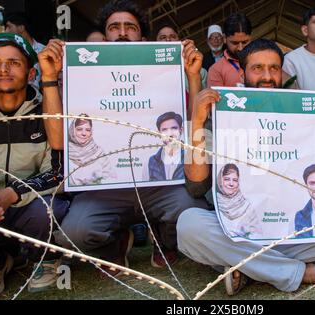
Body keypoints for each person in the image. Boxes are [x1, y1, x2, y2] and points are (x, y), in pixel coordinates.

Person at [177, 38, 315, 295]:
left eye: (273, 68)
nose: (267, 76)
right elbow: (195, 186)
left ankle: (247, 266)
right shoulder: (221, 112)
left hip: (293, 230)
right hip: (238, 230)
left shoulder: (301, 113)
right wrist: (198, 123)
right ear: (243, 73)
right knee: (189, 225)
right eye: (257, 68)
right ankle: (300, 271)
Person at [55, 0, 209, 271]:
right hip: (105, 187)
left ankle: (166, 239)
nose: (122, 32)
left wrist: (193, 76)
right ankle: (115, 243)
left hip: (158, 182)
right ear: (105, 37)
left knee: (193, 212)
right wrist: (49, 76)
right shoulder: (82, 75)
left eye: (130, 27)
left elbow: (191, 122)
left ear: (144, 38)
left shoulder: (166, 73)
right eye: (114, 27)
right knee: (75, 232)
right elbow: (61, 134)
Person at [0, 33, 69, 296]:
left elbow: (58, 172)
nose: (2, 69)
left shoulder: (46, 111)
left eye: (13, 62)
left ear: (31, 71)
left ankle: (43, 257)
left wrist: (11, 194)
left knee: (47, 209)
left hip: (28, 205)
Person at [216, 164, 262, 239]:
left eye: (235, 180)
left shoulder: (247, 206)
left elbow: (258, 234)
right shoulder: (214, 202)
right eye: (227, 179)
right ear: (220, 180)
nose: (231, 184)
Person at [68, 115, 116, 186]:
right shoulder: (65, 152)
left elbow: (108, 177)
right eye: (79, 129)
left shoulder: (99, 153)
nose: (84, 133)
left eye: (87, 130)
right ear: (72, 130)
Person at [207, 13, 252, 87]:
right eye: (235, 43)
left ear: (251, 38)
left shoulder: (262, 62)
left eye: (245, 42)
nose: (240, 48)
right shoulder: (216, 70)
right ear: (224, 38)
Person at [3, 12, 45, 89]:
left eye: (9, 27)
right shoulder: (7, 52)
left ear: (21, 28)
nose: (6, 31)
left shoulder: (44, 51)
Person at [143, 112, 184, 181]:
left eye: (174, 128)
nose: (170, 134)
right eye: (164, 130)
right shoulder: (150, 163)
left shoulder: (191, 157)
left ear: (181, 130)